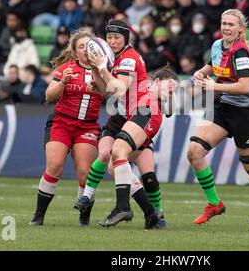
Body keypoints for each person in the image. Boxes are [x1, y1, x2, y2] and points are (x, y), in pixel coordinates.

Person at [187, 9, 249, 225]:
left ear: (240, 29)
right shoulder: (217, 45)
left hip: (246, 114)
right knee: (194, 152)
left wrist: (213, 85)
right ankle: (214, 203)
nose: (226, 27)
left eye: (231, 24)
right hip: (224, 107)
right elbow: (211, 66)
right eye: (224, 23)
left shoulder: (241, 52)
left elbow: (245, 87)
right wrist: (201, 73)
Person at [74, 67, 179, 229]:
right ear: (157, 82)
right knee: (108, 161)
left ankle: (153, 211)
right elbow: (115, 87)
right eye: (169, 87)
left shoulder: (155, 99)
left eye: (173, 91)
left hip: (139, 124)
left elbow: (170, 110)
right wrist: (100, 72)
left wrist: (171, 93)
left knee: (147, 172)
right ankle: (88, 197)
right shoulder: (136, 80)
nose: (170, 92)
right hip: (119, 122)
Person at [85, 20, 164, 228]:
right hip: (134, 114)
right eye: (109, 37)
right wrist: (95, 69)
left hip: (146, 109)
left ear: (126, 39)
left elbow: (119, 89)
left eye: (117, 37)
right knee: (114, 167)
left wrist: (102, 67)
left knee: (118, 150)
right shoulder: (116, 59)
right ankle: (150, 213)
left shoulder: (128, 58)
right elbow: (106, 91)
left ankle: (123, 208)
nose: (112, 41)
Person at [29, 27, 106, 227]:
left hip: (87, 127)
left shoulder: (104, 70)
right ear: (74, 51)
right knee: (54, 166)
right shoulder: (66, 69)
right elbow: (49, 96)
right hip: (61, 123)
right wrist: (62, 82)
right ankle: (38, 216)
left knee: (85, 172)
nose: (85, 50)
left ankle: (84, 217)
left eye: (89, 46)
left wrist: (98, 73)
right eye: (81, 46)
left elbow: (107, 92)